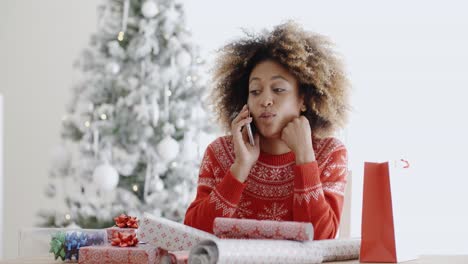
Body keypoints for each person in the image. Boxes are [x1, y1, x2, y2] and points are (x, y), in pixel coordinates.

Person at [184, 21, 350, 240]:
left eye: (278, 89)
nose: (265, 100)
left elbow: (320, 241)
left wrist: (305, 159)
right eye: (255, 91)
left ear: (304, 99)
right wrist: (240, 168)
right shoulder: (219, 152)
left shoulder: (329, 153)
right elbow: (193, 237)